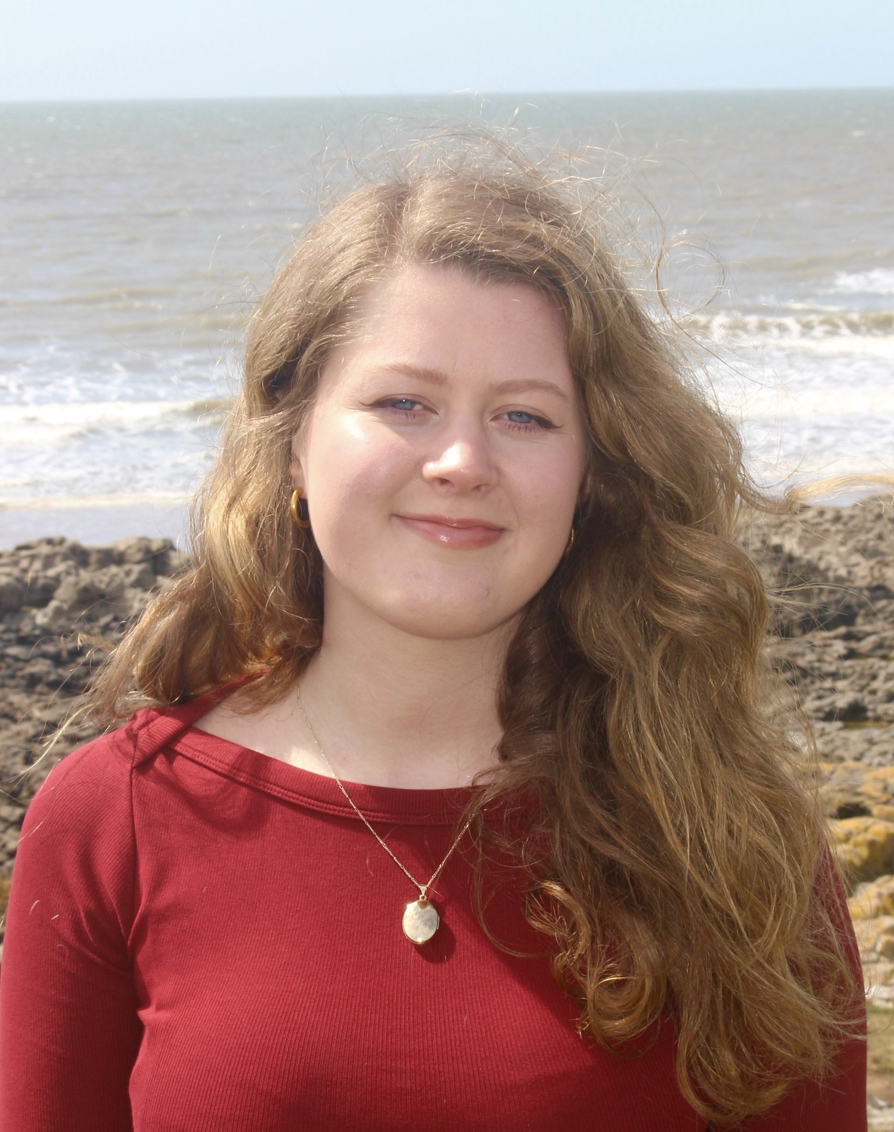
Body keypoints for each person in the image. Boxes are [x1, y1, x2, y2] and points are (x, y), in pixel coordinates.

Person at [0, 139, 866, 1131]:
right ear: (292, 437)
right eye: (402, 403)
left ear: (594, 478)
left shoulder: (729, 834)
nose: (461, 459)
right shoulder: (113, 822)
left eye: (526, 417)